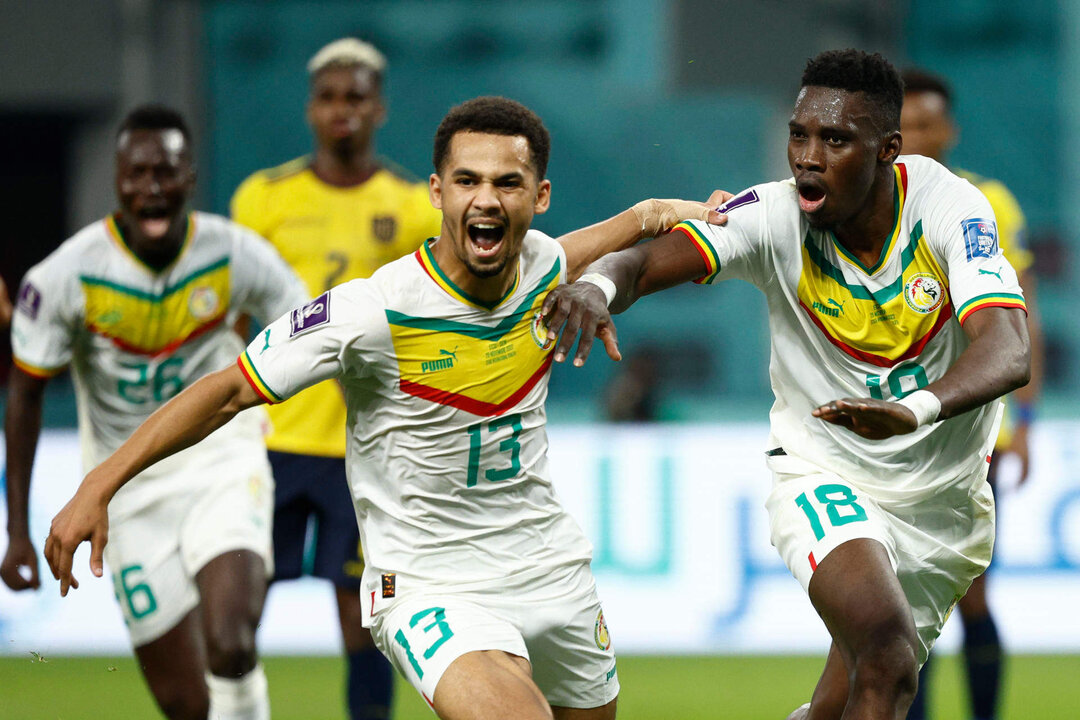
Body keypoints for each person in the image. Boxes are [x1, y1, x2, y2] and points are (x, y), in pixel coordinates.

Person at [43, 96, 725, 720]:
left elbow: (626, 229)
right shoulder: (370, 311)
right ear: (437, 191)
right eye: (467, 181)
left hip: (552, 572)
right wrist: (98, 485)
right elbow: (226, 390)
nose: (485, 199)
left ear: (539, 196)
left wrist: (689, 211)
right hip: (429, 585)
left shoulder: (544, 267)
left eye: (507, 183)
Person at [542, 50, 1031, 720]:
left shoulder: (951, 208)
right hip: (825, 472)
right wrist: (598, 285)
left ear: (889, 150)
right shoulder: (773, 214)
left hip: (942, 508)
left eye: (835, 140)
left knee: (861, 693)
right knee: (886, 651)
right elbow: (648, 260)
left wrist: (910, 412)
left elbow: (1008, 350)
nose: (808, 156)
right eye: (799, 134)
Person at [3, 105, 308, 720]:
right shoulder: (68, 274)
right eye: (136, 173)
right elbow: (26, 394)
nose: (151, 187)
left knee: (231, 643)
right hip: (125, 491)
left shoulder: (234, 254)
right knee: (187, 705)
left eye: (165, 173)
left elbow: (305, 325)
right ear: (116, 181)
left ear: (189, 178)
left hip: (220, 461)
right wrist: (15, 531)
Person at [229, 37, 440, 720]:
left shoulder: (412, 205)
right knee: (236, 619)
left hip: (364, 447)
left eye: (355, 96)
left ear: (378, 107)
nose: (341, 109)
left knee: (365, 624)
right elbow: (237, 322)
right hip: (271, 438)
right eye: (328, 97)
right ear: (310, 108)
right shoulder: (263, 198)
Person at [899, 67, 1044, 720]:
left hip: (978, 429)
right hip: (901, 428)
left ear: (949, 130)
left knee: (972, 594)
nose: (917, 136)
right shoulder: (873, 206)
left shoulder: (989, 201)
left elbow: (1021, 316)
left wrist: (1028, 420)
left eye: (927, 123)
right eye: (904, 126)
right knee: (902, 599)